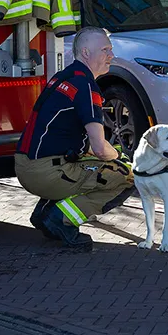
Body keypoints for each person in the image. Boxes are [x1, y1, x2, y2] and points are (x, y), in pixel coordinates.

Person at [15, 27, 134, 250]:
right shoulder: (88, 88)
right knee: (125, 176)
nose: (111, 55)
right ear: (86, 52)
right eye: (105, 50)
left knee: (93, 167)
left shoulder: (63, 77)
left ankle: (45, 213)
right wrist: (119, 157)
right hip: (47, 172)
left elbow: (77, 140)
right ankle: (62, 220)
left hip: (26, 166)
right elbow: (99, 148)